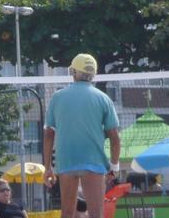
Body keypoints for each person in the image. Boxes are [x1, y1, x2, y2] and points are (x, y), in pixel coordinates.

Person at [44, 54, 121, 218]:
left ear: (73, 72)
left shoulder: (57, 97)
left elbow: (49, 134)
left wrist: (47, 168)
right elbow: (114, 137)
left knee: (67, 214)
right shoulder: (103, 98)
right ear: (93, 74)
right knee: (96, 215)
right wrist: (114, 166)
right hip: (94, 162)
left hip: (67, 161)